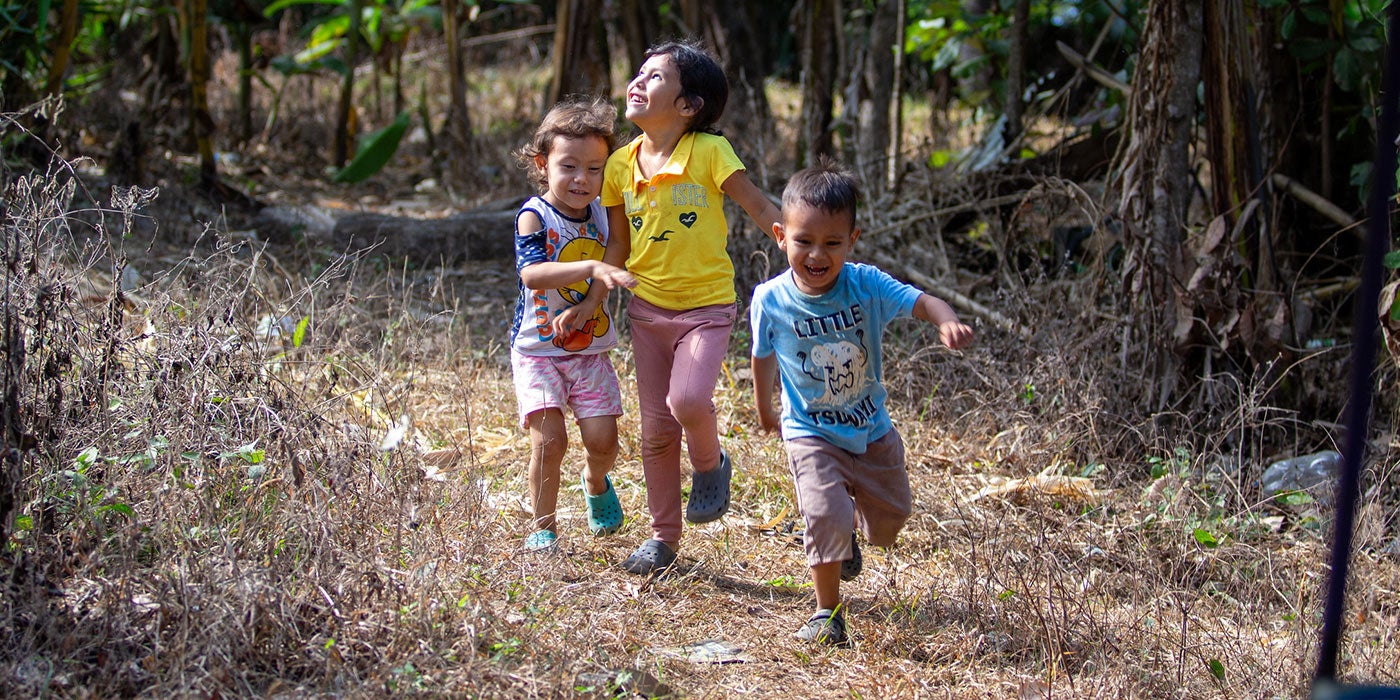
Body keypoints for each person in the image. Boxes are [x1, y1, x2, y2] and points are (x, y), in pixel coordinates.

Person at [577, 39, 782, 574]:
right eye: (638, 73)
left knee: (689, 401)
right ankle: (663, 538)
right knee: (654, 431)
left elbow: (758, 204)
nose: (637, 82)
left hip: (706, 308)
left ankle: (711, 464)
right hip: (647, 312)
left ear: (689, 105)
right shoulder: (620, 165)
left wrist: (802, 242)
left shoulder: (711, 152)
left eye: (655, 77)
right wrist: (596, 294)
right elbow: (617, 244)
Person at [750, 161, 974, 646]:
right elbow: (763, 356)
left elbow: (923, 301)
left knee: (890, 526)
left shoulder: (866, 283)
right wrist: (765, 408)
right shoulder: (769, 299)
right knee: (825, 513)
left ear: (852, 239)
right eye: (804, 240)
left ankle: (856, 529)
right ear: (780, 236)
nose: (817, 254)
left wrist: (946, 320)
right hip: (809, 431)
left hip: (871, 429)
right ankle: (826, 614)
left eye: (832, 243)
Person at [509, 96, 638, 552]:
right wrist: (590, 272)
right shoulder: (535, 216)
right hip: (538, 350)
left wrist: (591, 303)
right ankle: (544, 527)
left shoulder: (604, 212)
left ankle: (595, 481)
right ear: (543, 164)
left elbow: (617, 248)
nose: (582, 179)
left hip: (590, 349)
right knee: (550, 441)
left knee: (603, 442)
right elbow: (532, 274)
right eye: (569, 167)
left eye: (594, 169)